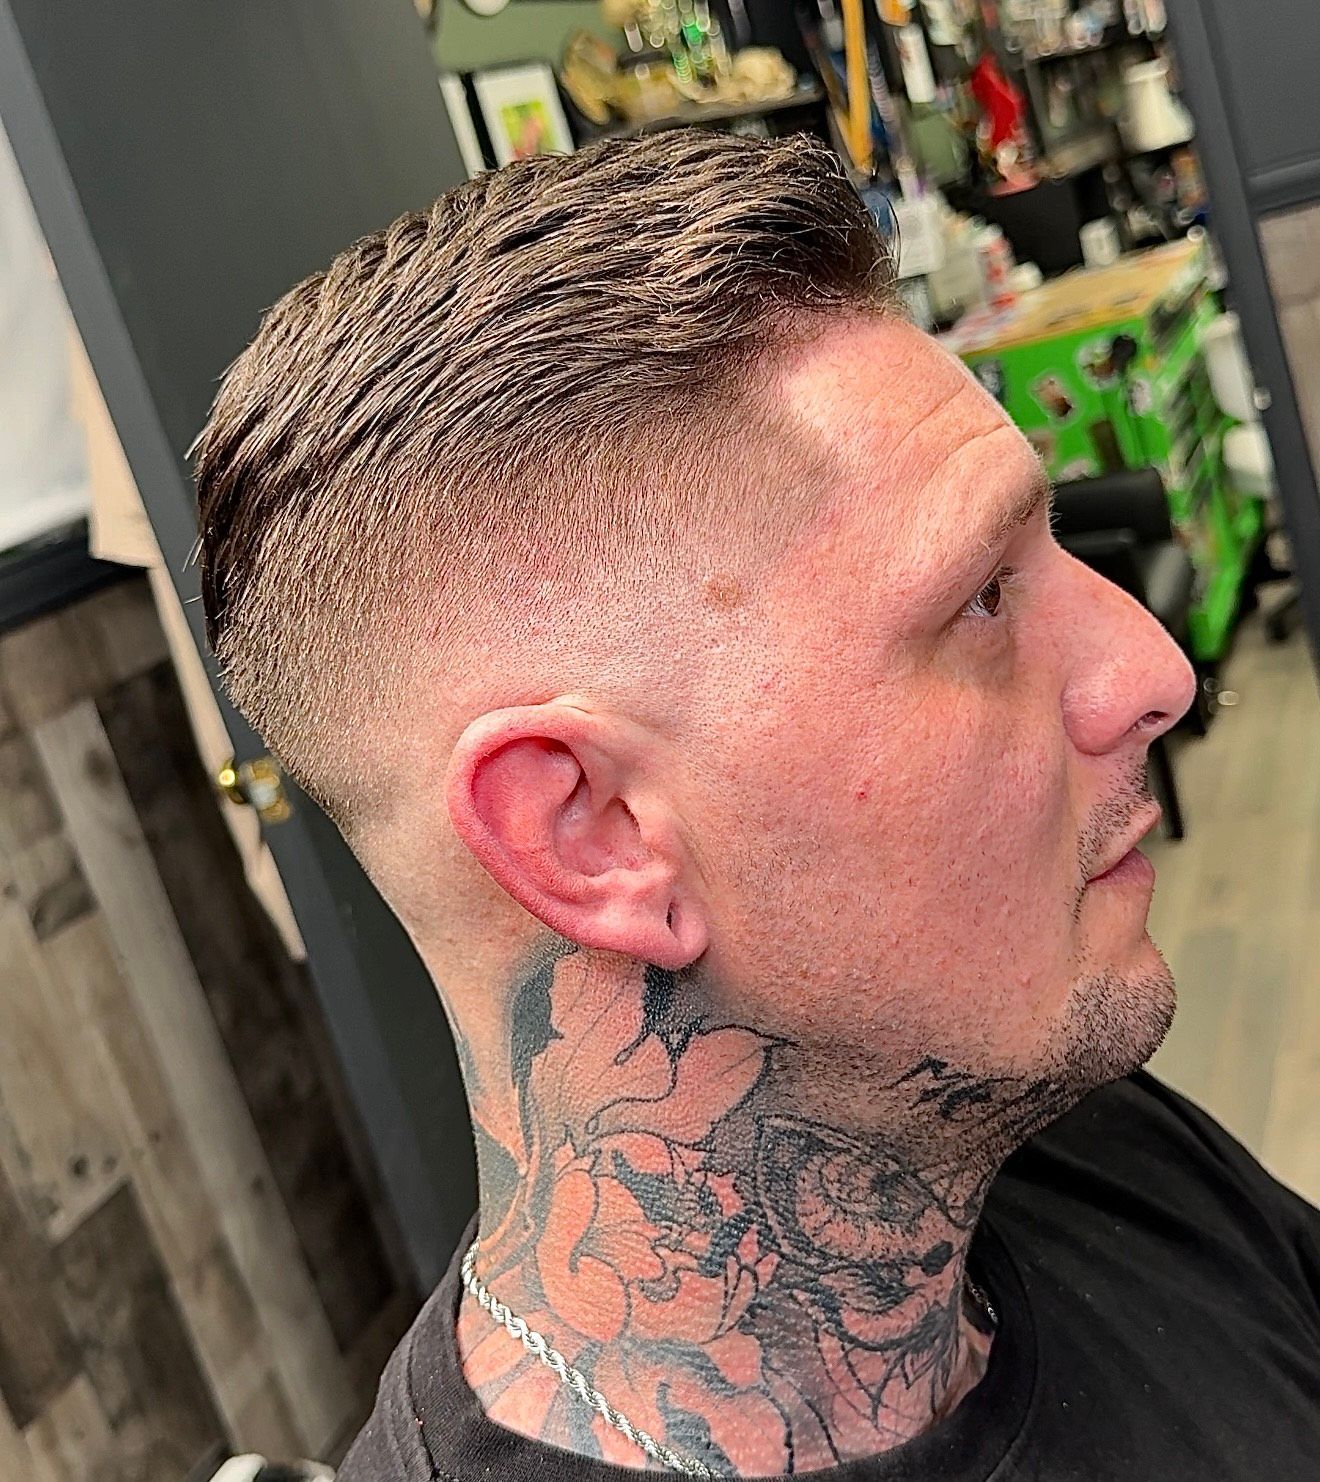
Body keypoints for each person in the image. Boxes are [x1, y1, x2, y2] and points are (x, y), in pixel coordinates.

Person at [192, 131, 1320, 1480]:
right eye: (982, 599)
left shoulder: (1059, 1134)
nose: (1155, 670)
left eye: (1050, 543)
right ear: (591, 831)